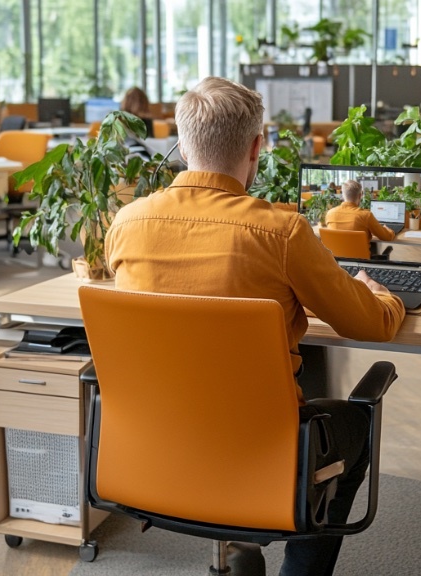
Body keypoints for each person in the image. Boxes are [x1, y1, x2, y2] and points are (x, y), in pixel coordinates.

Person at [105, 76, 405, 576]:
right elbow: (371, 324)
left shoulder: (128, 223)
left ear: (180, 146)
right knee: (358, 423)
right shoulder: (280, 231)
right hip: (261, 453)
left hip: (156, 450)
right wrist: (383, 294)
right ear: (256, 147)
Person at [324, 179, 396, 242]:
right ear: (360, 195)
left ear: (343, 195)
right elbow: (387, 237)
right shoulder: (366, 215)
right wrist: (389, 230)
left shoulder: (330, 214)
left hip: (335, 257)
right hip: (361, 257)